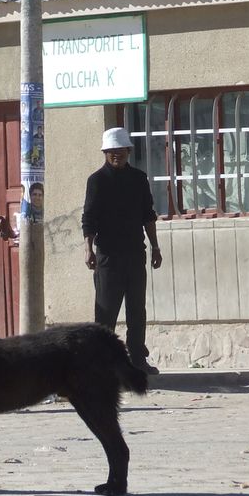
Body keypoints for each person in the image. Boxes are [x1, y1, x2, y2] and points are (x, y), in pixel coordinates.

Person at [82, 127, 162, 375]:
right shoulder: (96, 181)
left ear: (128, 151)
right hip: (108, 256)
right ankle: (101, 363)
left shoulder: (138, 179)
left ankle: (137, 359)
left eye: (121, 151)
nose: (117, 155)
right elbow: (89, 218)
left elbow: (148, 215)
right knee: (105, 312)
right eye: (112, 151)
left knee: (137, 311)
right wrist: (88, 249)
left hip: (135, 254)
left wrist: (156, 246)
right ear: (105, 153)